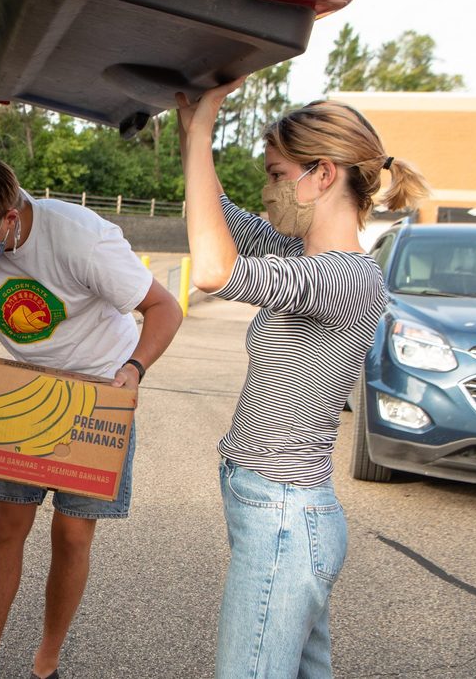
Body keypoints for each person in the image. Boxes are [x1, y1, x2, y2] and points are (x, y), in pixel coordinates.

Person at [175, 80, 428, 678]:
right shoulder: (299, 255)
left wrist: (207, 129)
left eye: (274, 173)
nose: (265, 191)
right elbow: (210, 211)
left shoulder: (347, 278)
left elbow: (211, 268)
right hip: (279, 515)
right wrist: (194, 125)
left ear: (322, 174)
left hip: (285, 519)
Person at [0, 153, 181, 679]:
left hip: (98, 393)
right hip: (25, 393)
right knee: (6, 525)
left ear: (10, 214)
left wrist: (134, 368)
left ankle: (45, 663)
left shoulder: (80, 237)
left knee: (73, 535)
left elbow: (165, 308)